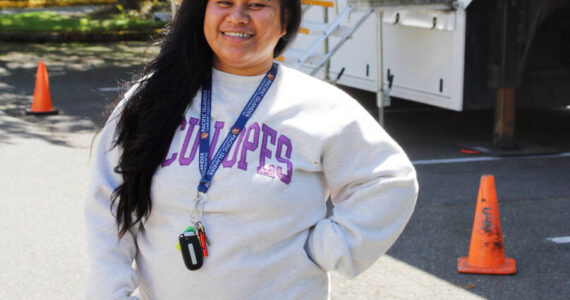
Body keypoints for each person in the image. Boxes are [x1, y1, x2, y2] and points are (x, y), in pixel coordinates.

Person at [85, 0, 418, 299]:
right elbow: (108, 205)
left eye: (257, 5)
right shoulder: (152, 100)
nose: (238, 17)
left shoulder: (318, 107)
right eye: (224, 3)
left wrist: (326, 250)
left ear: (285, 20)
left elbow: (390, 180)